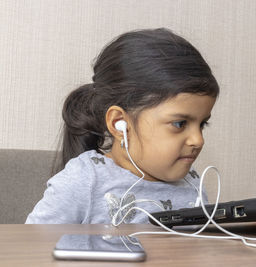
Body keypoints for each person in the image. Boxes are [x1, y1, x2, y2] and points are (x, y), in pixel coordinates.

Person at [25, 28, 219, 224]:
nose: (198, 140)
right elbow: (29, 247)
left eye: (202, 124)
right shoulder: (84, 181)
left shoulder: (193, 183)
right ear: (120, 125)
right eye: (180, 123)